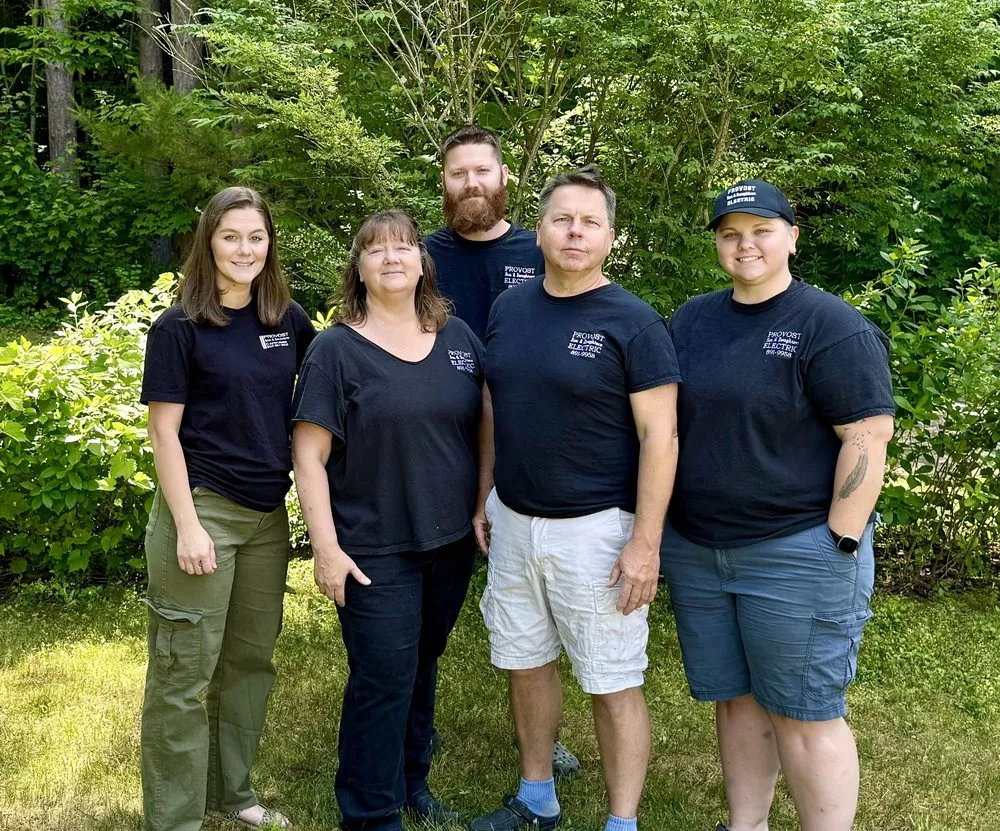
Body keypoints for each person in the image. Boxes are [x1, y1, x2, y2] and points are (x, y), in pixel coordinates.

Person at [661, 180, 895, 831]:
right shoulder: (693, 320)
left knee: (803, 711)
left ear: (792, 235)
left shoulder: (831, 325)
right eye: (731, 233)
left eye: (762, 229)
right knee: (736, 701)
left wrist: (839, 542)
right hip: (701, 550)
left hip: (795, 552)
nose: (746, 244)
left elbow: (868, 436)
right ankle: (748, 825)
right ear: (716, 242)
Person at [471, 165, 680, 831]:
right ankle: (537, 796)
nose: (575, 231)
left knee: (612, 679)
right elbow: (493, 408)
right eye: (563, 218)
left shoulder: (635, 322)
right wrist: (485, 498)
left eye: (590, 222)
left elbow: (661, 436)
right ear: (539, 229)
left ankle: (622, 821)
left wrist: (645, 543)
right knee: (525, 661)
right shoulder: (511, 308)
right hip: (514, 518)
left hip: (597, 531)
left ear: (611, 238)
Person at [291, 210, 487, 831]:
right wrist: (326, 547)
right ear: (359, 268)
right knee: (382, 678)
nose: (393, 258)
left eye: (404, 247)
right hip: (372, 548)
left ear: (423, 263)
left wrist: (481, 501)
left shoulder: (456, 338)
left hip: (449, 541)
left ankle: (411, 782)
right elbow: (309, 454)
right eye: (377, 251)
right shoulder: (335, 350)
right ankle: (371, 813)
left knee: (422, 663)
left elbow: (487, 423)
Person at [140, 186, 316, 831]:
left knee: (249, 661)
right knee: (184, 675)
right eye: (231, 236)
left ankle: (231, 792)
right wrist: (187, 526)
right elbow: (164, 435)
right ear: (207, 241)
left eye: (257, 237)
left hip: (267, 516)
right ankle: (175, 818)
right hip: (203, 510)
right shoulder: (179, 327)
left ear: (269, 245)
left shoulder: (287, 321)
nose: (245, 249)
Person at [425, 122, 581, 778]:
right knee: (425, 594)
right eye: (458, 173)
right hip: (438, 447)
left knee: (537, 605)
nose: (471, 184)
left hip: (526, 452)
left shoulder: (539, 249)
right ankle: (415, 722)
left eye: (481, 171)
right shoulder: (422, 253)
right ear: (444, 183)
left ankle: (546, 738)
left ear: (504, 177)